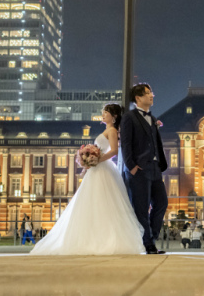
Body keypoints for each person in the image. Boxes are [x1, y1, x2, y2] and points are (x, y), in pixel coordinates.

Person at [30, 103, 145, 255]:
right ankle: (93, 239)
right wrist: (89, 163)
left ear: (114, 116)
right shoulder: (107, 130)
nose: (103, 114)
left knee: (102, 203)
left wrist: (96, 160)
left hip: (103, 170)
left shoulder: (112, 130)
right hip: (97, 169)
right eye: (103, 112)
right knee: (92, 203)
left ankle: (103, 240)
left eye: (106, 112)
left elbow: (114, 151)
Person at [120, 83, 169, 255]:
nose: (151, 95)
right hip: (139, 169)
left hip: (155, 168)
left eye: (151, 92)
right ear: (138, 98)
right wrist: (131, 167)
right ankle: (148, 244)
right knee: (141, 208)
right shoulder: (129, 117)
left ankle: (150, 239)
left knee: (162, 203)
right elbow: (125, 144)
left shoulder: (153, 119)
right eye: (148, 93)